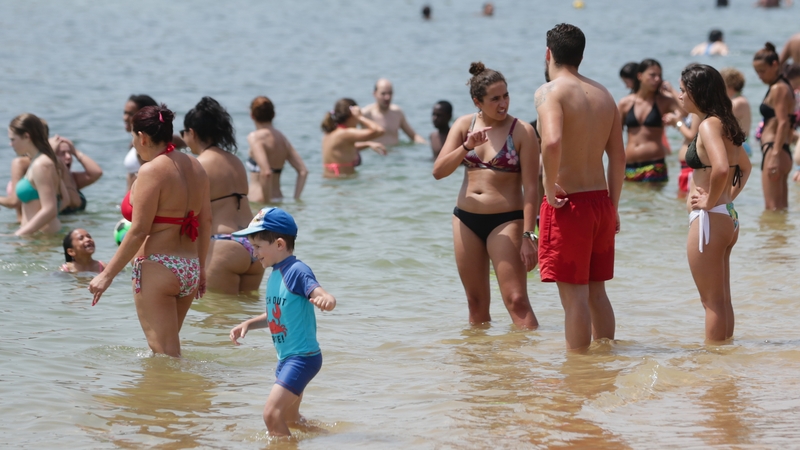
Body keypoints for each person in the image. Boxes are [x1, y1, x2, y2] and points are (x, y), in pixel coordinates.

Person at [89, 104, 211, 358]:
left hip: (159, 266)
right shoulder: (197, 166)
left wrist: (106, 275)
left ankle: (182, 394)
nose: (133, 144)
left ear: (142, 137)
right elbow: (206, 221)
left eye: (133, 137)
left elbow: (139, 230)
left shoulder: (151, 170)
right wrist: (200, 269)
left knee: (165, 356)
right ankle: (173, 396)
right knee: (165, 352)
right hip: (189, 266)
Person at [535, 23, 625, 350]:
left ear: (548, 54)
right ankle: (605, 362)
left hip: (568, 204)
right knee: (597, 292)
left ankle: (579, 373)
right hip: (600, 202)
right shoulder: (604, 93)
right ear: (581, 55)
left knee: (574, 300)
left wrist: (547, 186)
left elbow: (553, 140)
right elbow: (618, 157)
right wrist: (613, 205)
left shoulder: (549, 92)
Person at [432, 62, 539, 329]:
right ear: (477, 101)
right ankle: (482, 367)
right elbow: (438, 171)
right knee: (476, 301)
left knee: (516, 300)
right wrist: (467, 146)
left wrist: (529, 235)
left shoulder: (523, 131)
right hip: (466, 220)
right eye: (495, 99)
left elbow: (532, 188)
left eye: (506, 96)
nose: (503, 103)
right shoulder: (463, 125)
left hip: (507, 221)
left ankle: (530, 363)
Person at [229, 207, 336, 437]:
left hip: (302, 359)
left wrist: (326, 300)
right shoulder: (275, 273)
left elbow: (320, 293)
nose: (253, 252)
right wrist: (249, 323)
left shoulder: (296, 271)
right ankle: (332, 439)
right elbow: (275, 316)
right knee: (290, 419)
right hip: (287, 358)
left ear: (279, 244)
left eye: (257, 246)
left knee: (271, 414)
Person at [679, 63, 752, 341]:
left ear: (698, 92)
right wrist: (726, 200)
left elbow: (722, 168)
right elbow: (745, 166)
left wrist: (709, 201)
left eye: (683, 90)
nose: (679, 96)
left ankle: (712, 367)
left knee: (711, 303)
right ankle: (724, 362)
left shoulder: (709, 124)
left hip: (709, 221)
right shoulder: (726, 123)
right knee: (722, 301)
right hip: (727, 218)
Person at [183, 97, 265, 294]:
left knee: (219, 317)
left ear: (192, 133)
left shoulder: (198, 164)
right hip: (254, 243)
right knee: (246, 318)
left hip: (225, 245)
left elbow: (187, 212)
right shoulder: (236, 162)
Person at [618, 59, 684, 182]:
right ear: (640, 76)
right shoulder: (625, 103)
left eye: (659, 75)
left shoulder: (664, 101)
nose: (657, 79)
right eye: (652, 75)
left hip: (654, 165)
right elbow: (614, 134)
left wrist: (672, 90)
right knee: (631, 201)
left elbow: (686, 111)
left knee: (651, 200)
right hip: (629, 167)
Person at [753, 42, 795, 210]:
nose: (759, 76)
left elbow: (783, 122)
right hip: (781, 150)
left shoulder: (778, 88)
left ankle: (775, 236)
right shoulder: (784, 86)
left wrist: (775, 156)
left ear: (775, 64)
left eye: (762, 71)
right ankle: (782, 236)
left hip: (774, 151)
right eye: (757, 72)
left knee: (772, 210)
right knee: (780, 210)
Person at [8, 113, 63, 236]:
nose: (10, 144)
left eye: (13, 139)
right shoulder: (37, 161)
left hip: (44, 241)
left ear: (27, 136)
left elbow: (50, 209)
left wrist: (17, 235)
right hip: (36, 238)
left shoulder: (41, 164)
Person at [246, 96, 308, 203]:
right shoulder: (282, 138)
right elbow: (303, 171)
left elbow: (266, 173)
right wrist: (296, 199)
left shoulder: (255, 137)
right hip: (279, 198)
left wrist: (266, 206)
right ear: (273, 115)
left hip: (259, 200)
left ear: (252, 115)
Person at [122, 94, 185, 192]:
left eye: (131, 114)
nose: (125, 117)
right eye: (125, 113)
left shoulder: (160, 144)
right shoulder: (133, 145)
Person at [321, 99, 385, 177]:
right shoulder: (345, 133)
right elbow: (379, 130)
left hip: (332, 182)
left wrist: (368, 144)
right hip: (343, 183)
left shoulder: (330, 132)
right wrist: (360, 117)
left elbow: (344, 150)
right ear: (352, 114)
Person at [362, 78, 426, 147]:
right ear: (375, 94)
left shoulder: (397, 113)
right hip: (375, 155)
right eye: (383, 94)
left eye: (390, 93)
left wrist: (426, 145)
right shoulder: (365, 114)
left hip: (395, 155)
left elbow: (413, 136)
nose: (387, 97)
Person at [52, 136, 103, 214]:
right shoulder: (47, 181)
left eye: (70, 153)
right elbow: (74, 203)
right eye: (62, 153)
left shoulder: (73, 178)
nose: (68, 157)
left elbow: (96, 172)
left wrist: (75, 151)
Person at [664, 112, 702, 197]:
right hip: (687, 167)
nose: (680, 97)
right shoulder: (693, 113)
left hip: (691, 167)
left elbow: (692, 135)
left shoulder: (696, 113)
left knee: (685, 201)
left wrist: (678, 122)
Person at [720, 68, 753, 156]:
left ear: (729, 86)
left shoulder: (737, 102)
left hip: (741, 144)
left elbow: (721, 121)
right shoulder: (740, 99)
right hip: (743, 143)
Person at [0, 155, 30, 223]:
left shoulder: (20, 163)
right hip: (36, 224)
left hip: (26, 226)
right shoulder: (47, 161)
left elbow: (14, 202)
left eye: (13, 143)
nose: (11, 144)